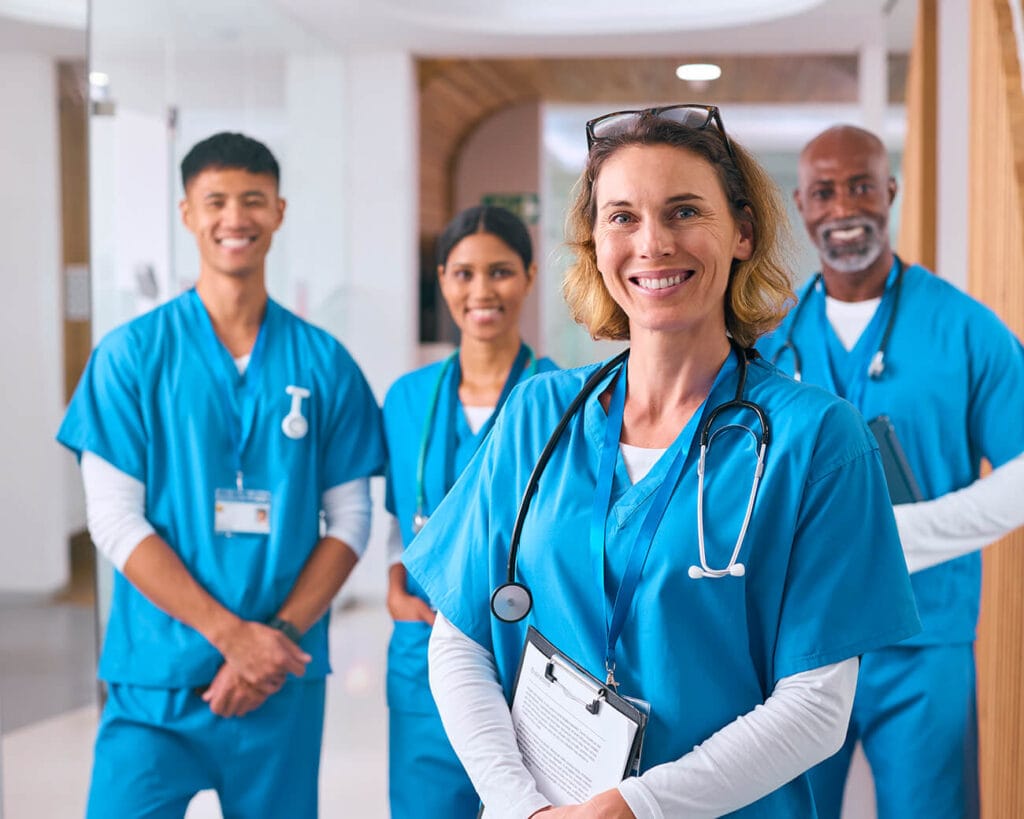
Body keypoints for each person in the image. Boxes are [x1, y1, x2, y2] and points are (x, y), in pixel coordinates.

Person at [402, 105, 921, 818]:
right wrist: (520, 804)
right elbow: (457, 636)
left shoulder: (817, 441)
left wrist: (632, 806)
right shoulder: (538, 416)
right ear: (593, 239)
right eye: (622, 217)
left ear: (742, 231)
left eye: (683, 211)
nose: (652, 243)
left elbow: (816, 707)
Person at [57, 132, 385, 818]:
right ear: (187, 213)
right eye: (216, 201)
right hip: (158, 677)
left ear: (280, 211)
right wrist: (231, 635)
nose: (235, 218)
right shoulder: (131, 356)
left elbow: (351, 519)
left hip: (279, 676)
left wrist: (276, 640)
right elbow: (114, 518)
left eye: (253, 201)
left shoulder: (324, 362)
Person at [758, 124, 1024, 818]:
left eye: (861, 185)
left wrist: (902, 533)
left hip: (922, 639)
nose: (845, 206)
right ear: (801, 205)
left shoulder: (965, 329)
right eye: (825, 191)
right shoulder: (767, 342)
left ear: (891, 191)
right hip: (797, 642)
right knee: (786, 809)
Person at [383, 204, 558, 818]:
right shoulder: (406, 400)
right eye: (463, 274)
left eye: (501, 272)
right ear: (441, 280)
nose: (482, 291)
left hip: (526, 666)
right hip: (422, 659)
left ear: (530, 277)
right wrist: (393, 585)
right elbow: (399, 521)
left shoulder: (565, 398)